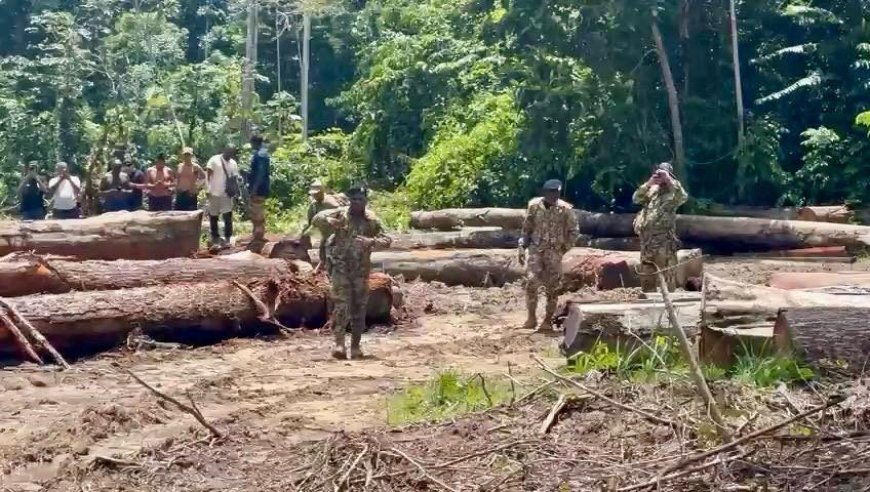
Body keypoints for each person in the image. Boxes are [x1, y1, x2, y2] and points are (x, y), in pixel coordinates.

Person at [313, 185, 391, 360]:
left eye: (360, 200)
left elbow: (388, 240)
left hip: (360, 270)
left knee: (359, 307)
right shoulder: (340, 214)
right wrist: (330, 222)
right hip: (340, 268)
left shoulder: (371, 220)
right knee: (341, 305)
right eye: (354, 199)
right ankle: (339, 344)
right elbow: (316, 220)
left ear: (366, 201)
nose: (357, 203)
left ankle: (356, 346)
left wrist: (371, 242)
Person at [518, 179, 579, 332]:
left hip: (554, 252)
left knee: (553, 288)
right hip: (535, 250)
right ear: (545, 193)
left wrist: (564, 248)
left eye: (557, 192)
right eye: (552, 192)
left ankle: (547, 321)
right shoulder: (534, 206)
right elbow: (527, 228)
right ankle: (531, 318)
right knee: (531, 282)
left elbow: (574, 231)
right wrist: (521, 246)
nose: (555, 195)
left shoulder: (565, 209)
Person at [632, 162, 688, 292]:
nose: (660, 177)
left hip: (664, 245)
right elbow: (636, 198)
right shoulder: (652, 192)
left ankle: (669, 307)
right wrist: (649, 183)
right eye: (658, 174)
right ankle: (648, 304)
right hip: (647, 244)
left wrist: (668, 179)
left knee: (667, 280)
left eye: (663, 174)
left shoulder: (673, 194)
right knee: (647, 279)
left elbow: (683, 197)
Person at [302, 180, 349, 271]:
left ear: (322, 191)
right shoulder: (314, 206)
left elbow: (343, 215)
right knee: (323, 252)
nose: (315, 196)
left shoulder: (331, 202)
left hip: (337, 232)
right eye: (313, 194)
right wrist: (303, 235)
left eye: (317, 193)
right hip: (326, 233)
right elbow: (310, 222)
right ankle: (322, 268)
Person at [205, 145, 239, 247]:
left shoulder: (233, 163)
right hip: (214, 192)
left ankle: (228, 239)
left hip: (226, 194)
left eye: (231, 152)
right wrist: (208, 188)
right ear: (224, 150)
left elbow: (234, 178)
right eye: (228, 151)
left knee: (227, 216)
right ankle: (215, 239)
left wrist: (235, 191)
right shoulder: (214, 160)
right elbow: (208, 175)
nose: (229, 154)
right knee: (213, 216)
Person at [247, 135, 271, 244]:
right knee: (257, 210)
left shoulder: (260, 154)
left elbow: (260, 173)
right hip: (261, 187)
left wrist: (254, 189)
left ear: (256, 143)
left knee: (257, 211)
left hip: (259, 188)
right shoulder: (263, 153)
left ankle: (258, 235)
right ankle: (258, 234)